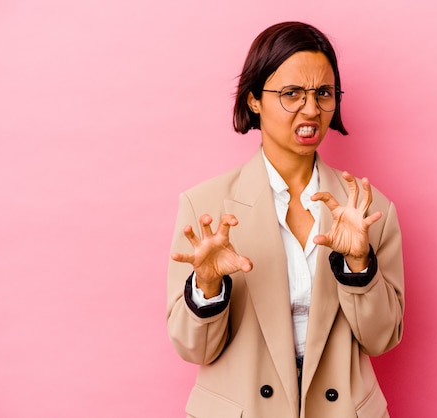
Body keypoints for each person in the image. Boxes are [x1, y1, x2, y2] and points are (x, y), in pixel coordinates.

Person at [166, 21, 404, 418]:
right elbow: (194, 349)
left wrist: (359, 265)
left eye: (323, 93)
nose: (311, 109)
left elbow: (381, 339)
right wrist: (207, 288)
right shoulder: (204, 207)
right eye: (291, 93)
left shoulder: (369, 209)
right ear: (254, 99)